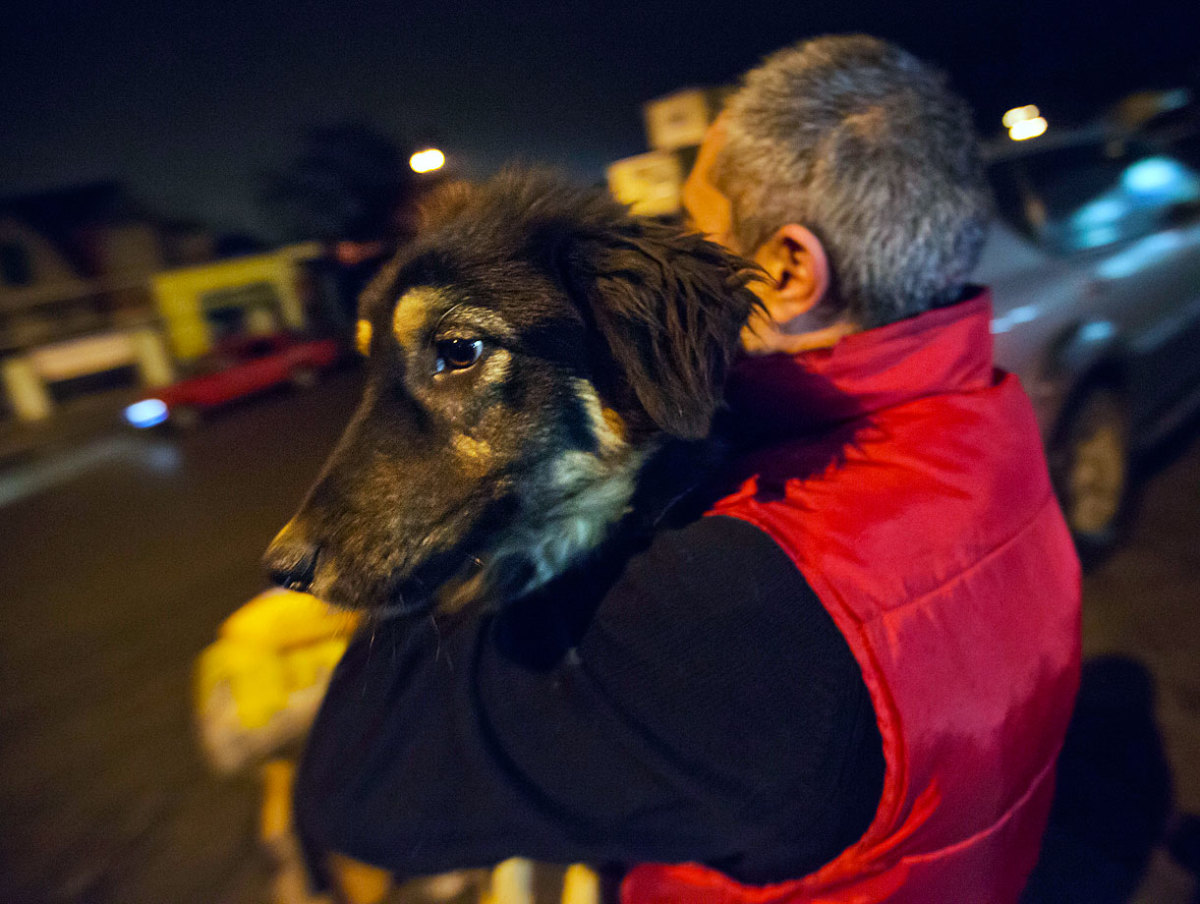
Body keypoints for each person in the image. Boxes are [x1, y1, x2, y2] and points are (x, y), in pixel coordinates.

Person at [293, 35, 1081, 903]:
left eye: (696, 233)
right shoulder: (991, 424)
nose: (672, 262)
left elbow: (357, 789)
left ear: (784, 271)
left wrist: (439, 555)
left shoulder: (727, 609)